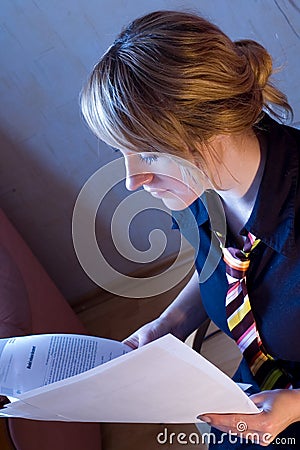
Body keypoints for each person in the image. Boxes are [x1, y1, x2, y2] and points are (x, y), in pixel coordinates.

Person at [80, 10, 300, 448]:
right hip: (254, 397)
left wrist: (296, 405)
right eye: (123, 152)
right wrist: (168, 324)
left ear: (213, 131)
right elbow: (229, 273)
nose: (130, 180)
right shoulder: (200, 188)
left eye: (149, 154)